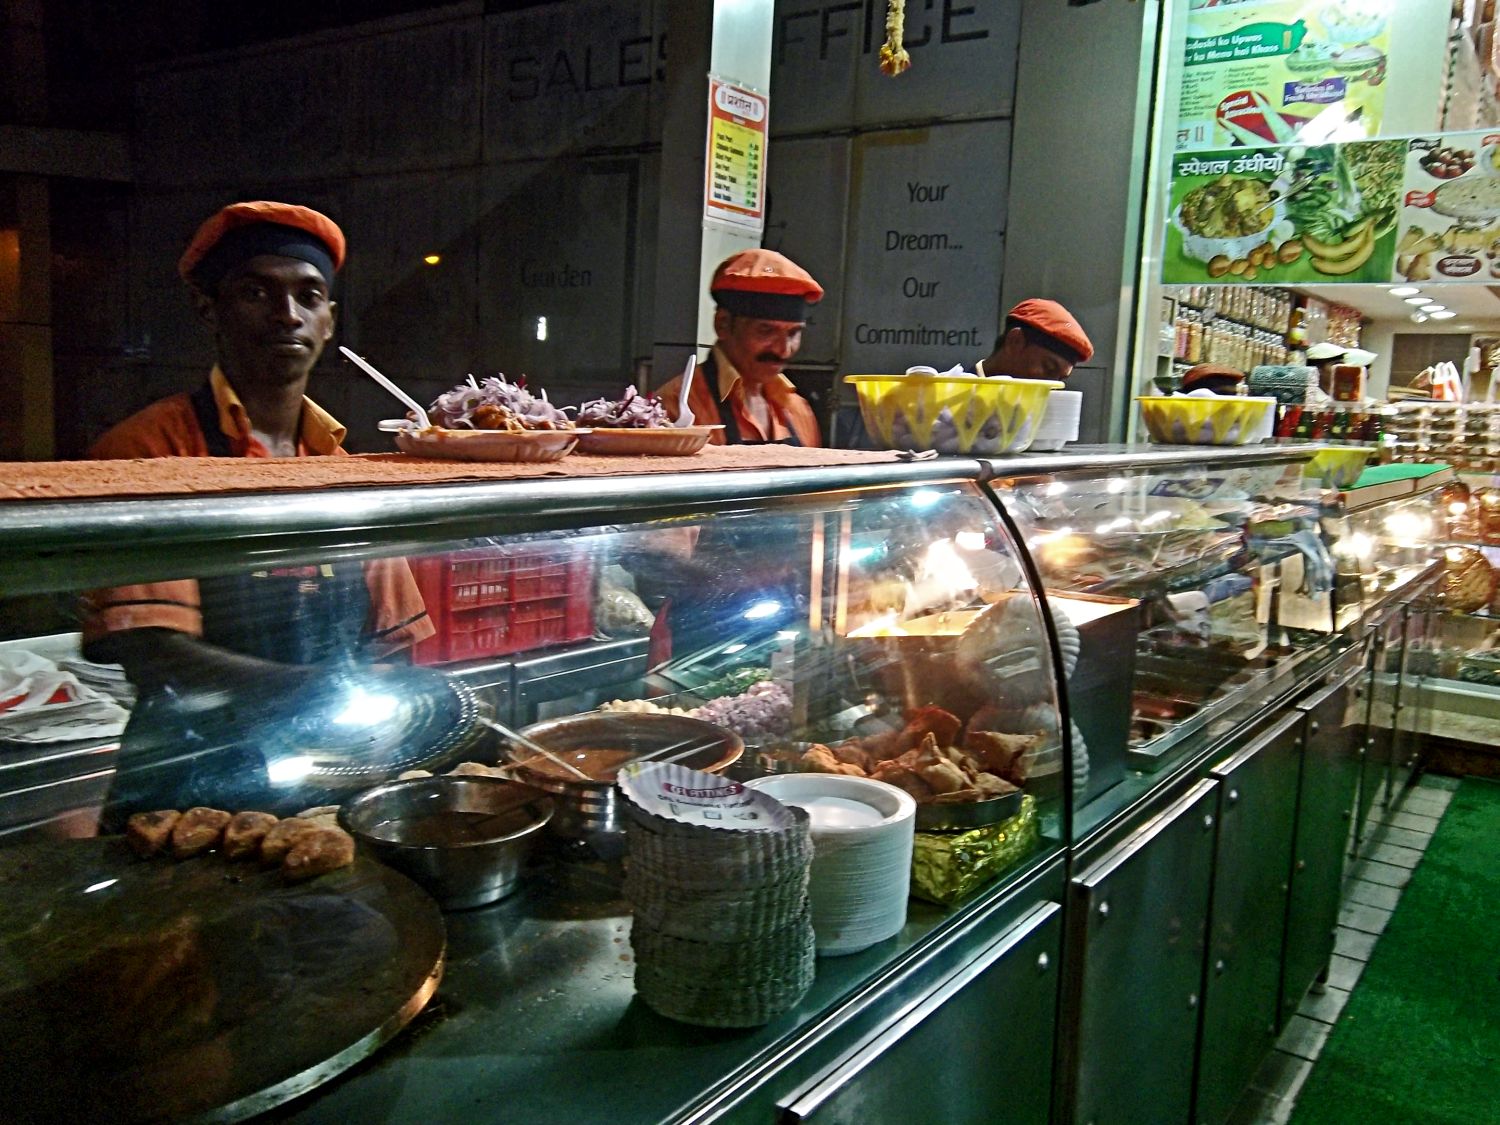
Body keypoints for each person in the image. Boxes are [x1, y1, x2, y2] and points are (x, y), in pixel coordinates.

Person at [82, 200, 434, 823]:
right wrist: (316, 692)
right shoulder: (148, 452)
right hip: (187, 789)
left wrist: (393, 733)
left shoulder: (344, 468)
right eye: (256, 292)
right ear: (208, 310)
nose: (286, 315)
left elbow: (390, 641)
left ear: (329, 321)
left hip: (326, 783)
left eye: (310, 295)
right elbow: (152, 649)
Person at [657, 248, 824, 446]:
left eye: (793, 333)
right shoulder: (675, 406)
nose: (783, 350)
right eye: (766, 330)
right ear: (723, 324)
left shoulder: (799, 410)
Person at [976, 299, 1094, 381]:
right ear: (1015, 341)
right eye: (1049, 368)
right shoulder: (958, 397)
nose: (1052, 387)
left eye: (1059, 379)